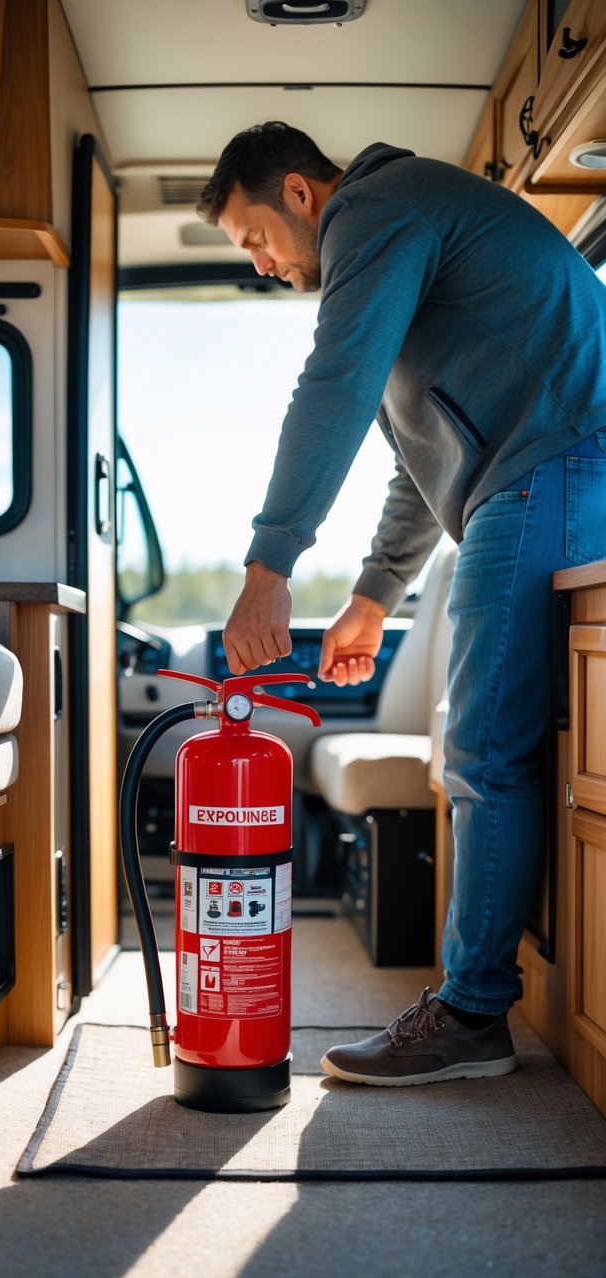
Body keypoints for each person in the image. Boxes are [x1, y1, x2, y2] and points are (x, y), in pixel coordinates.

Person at [197, 121, 606, 1086]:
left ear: (302, 194)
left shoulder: (377, 212)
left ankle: (470, 1015)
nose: (260, 264)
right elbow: (418, 461)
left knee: (479, 752)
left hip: (554, 463)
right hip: (537, 469)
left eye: (254, 237)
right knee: (496, 747)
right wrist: (376, 597)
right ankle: (477, 1002)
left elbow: (331, 388)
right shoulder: (402, 240)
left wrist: (269, 566)